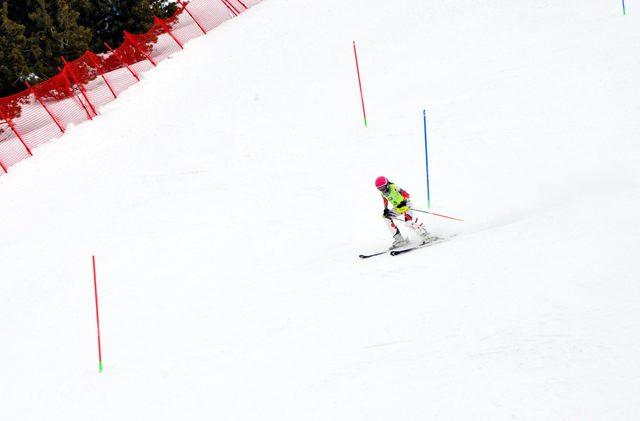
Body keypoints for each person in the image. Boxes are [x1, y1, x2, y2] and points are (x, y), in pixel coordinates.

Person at [375, 176, 431, 249]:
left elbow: (407, 195)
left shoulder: (394, 187)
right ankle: (399, 240)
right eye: (379, 188)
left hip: (406, 206)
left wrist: (403, 201)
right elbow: (385, 200)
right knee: (386, 217)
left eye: (382, 188)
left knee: (408, 223)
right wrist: (385, 209)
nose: (381, 190)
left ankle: (427, 236)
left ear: (387, 184)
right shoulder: (383, 193)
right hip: (398, 208)